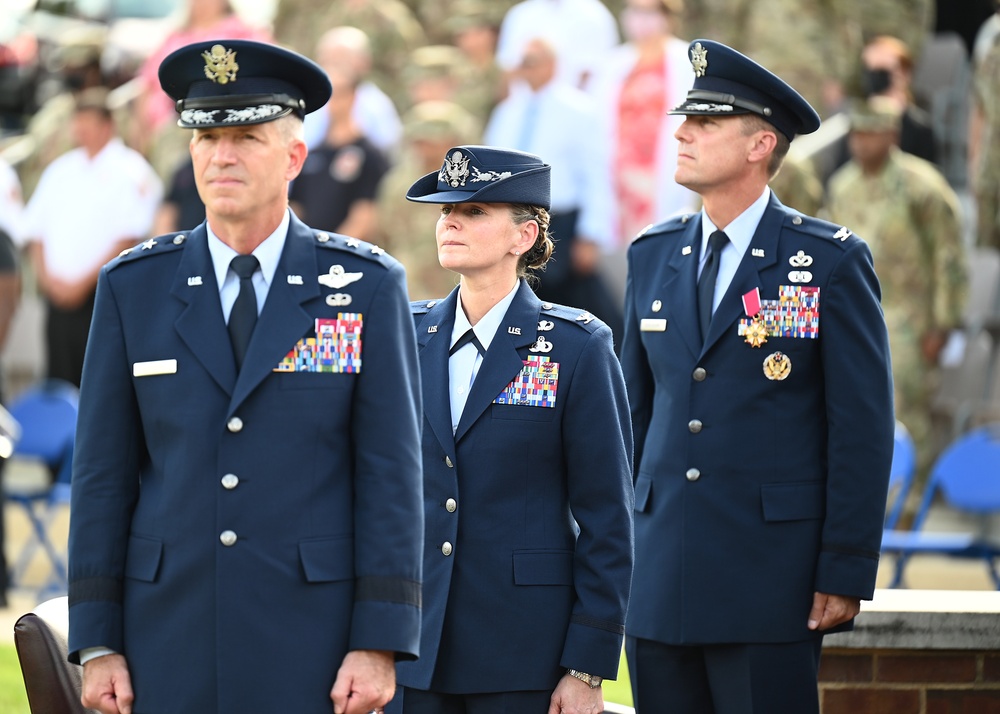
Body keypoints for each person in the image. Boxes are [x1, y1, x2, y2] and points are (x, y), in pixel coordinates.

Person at [67, 40, 424, 714]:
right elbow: (101, 477)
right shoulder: (133, 288)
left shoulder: (365, 287)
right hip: (166, 634)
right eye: (206, 137)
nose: (221, 155)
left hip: (315, 639)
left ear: (294, 157)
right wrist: (97, 639)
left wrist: (380, 640)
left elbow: (392, 475)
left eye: (246, 137)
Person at [620, 40, 894, 713]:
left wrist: (846, 566)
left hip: (769, 576)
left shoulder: (827, 262)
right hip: (659, 573)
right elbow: (632, 415)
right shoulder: (653, 256)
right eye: (685, 119)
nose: (681, 133)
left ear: (758, 145)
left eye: (704, 124)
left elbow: (859, 428)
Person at [388, 144, 633, 714]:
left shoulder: (577, 346)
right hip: (411, 649)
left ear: (524, 237)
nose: (449, 220)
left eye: (474, 212)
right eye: (446, 210)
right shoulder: (403, 332)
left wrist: (587, 666)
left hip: (523, 651)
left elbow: (607, 517)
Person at [827, 97, 966, 469]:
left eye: (871, 133)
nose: (861, 142)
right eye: (856, 133)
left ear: (891, 134)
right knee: (853, 406)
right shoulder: (843, 186)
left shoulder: (923, 186)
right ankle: (875, 503)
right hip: (856, 315)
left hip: (910, 318)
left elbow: (948, 256)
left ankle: (910, 506)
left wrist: (943, 322)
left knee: (906, 415)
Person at [484, 38, 622, 344]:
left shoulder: (578, 109)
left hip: (560, 222)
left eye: (532, 62)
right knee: (520, 301)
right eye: (522, 63)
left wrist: (591, 234)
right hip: (514, 218)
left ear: (552, 65)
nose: (525, 70)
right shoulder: (508, 110)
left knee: (569, 309)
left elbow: (596, 174)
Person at [24, 87, 162, 388]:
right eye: (77, 122)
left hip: (103, 296)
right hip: (57, 298)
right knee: (59, 382)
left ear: (107, 126)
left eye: (87, 123)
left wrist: (82, 284)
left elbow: (130, 237)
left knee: (101, 383)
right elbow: (36, 232)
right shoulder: (60, 170)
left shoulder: (130, 170)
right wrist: (49, 281)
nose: (79, 130)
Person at [375, 100, 481, 300]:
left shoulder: (475, 185)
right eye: (420, 141)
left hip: (458, 289)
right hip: (409, 288)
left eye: (433, 141)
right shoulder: (398, 183)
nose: (425, 148)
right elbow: (386, 233)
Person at [290, 66, 390, 242]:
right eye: (328, 94)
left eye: (340, 93)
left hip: (347, 255)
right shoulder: (311, 153)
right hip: (309, 249)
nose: (333, 101)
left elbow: (365, 216)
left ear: (354, 96)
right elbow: (296, 207)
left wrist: (333, 250)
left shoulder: (370, 155)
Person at [303, 26, 404, 157]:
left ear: (364, 62)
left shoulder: (377, 105)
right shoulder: (309, 103)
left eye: (343, 56)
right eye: (327, 57)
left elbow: (388, 155)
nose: (334, 63)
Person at [495, 0, 619, 89]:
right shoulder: (520, 15)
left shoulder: (594, 15)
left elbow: (600, 75)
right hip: (525, 112)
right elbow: (507, 70)